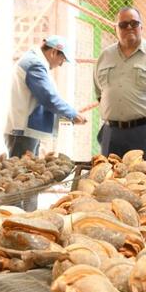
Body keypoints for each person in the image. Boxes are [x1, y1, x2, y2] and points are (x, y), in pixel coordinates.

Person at [5, 35, 86, 209]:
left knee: (29, 180)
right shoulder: (34, 64)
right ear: (54, 52)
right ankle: (20, 219)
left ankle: (27, 217)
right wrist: (72, 114)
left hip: (25, 132)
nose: (61, 64)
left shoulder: (35, 61)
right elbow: (48, 98)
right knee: (22, 183)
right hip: (22, 133)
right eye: (62, 59)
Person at [94, 6, 146, 163]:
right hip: (111, 133)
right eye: (123, 24)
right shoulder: (105, 56)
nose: (129, 27)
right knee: (109, 176)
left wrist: (143, 112)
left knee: (145, 176)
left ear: (141, 27)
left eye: (134, 23)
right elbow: (100, 93)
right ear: (115, 29)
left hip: (144, 132)